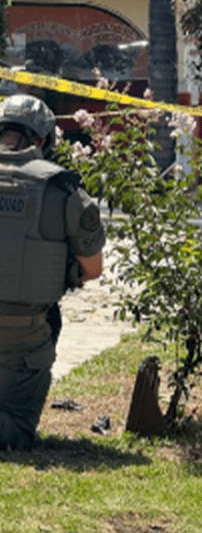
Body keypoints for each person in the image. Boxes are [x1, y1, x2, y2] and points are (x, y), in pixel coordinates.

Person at [0, 94, 105, 451]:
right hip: (26, 333)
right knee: (13, 433)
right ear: (43, 140)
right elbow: (92, 269)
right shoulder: (62, 190)